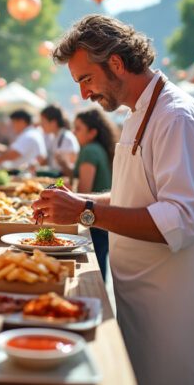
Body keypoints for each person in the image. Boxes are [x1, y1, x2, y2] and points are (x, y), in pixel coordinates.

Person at [32, 14, 194, 384]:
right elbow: (131, 195)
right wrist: (76, 200)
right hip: (139, 292)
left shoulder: (176, 117)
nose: (84, 93)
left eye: (86, 78)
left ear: (116, 62)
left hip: (171, 298)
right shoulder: (139, 112)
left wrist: (84, 212)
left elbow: (179, 221)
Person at [69, 107, 117, 281]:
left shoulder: (89, 150)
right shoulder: (99, 148)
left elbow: (84, 190)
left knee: (94, 272)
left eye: (78, 128)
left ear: (92, 132)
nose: (74, 132)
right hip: (105, 219)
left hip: (94, 218)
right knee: (100, 267)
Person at [40, 104, 80, 175]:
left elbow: (71, 168)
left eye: (43, 121)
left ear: (53, 122)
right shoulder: (54, 137)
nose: (41, 125)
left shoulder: (67, 138)